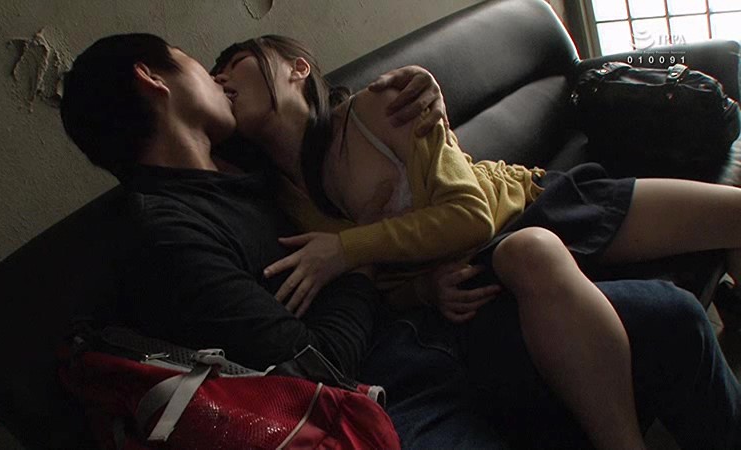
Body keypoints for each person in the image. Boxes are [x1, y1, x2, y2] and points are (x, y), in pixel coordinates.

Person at [60, 33, 741, 449]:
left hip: (513, 222)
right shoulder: (195, 217)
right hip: (421, 344)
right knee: (546, 264)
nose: (216, 80)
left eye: (230, 67)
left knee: (682, 304)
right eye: (202, 68)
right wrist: (398, 281)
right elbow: (316, 358)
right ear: (153, 80)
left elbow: (449, 206)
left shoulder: (289, 146)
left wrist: (350, 250)